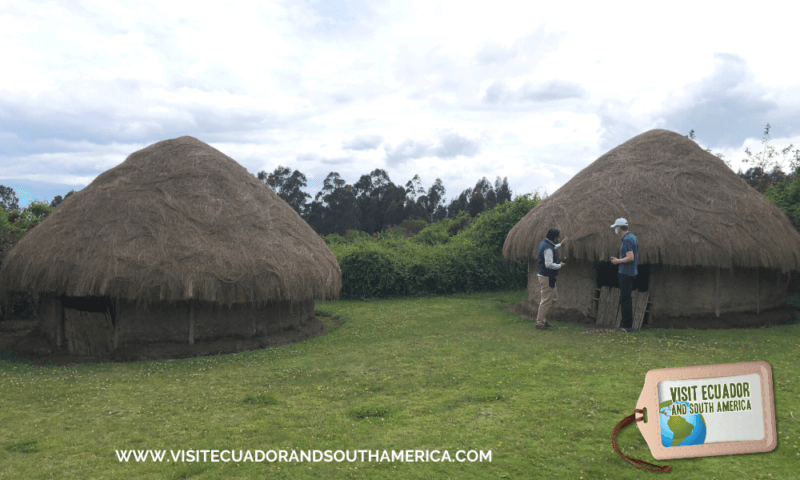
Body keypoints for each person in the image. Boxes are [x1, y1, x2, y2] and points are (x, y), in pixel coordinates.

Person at [535, 229, 568, 331]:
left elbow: (552, 247)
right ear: (554, 238)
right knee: (546, 301)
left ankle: (542, 318)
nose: (558, 239)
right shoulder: (548, 248)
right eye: (557, 237)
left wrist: (560, 245)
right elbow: (548, 264)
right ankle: (540, 323)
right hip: (546, 276)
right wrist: (560, 265)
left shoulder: (544, 243)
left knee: (553, 298)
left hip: (548, 276)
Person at [610, 218, 639, 332]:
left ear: (619, 227)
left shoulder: (627, 239)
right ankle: (625, 324)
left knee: (625, 299)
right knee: (626, 298)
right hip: (631, 272)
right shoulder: (633, 237)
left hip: (626, 272)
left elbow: (630, 257)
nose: (615, 230)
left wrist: (618, 261)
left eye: (616, 227)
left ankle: (626, 326)